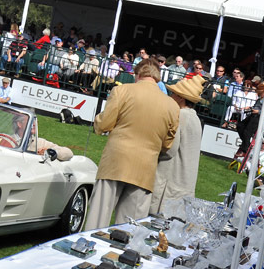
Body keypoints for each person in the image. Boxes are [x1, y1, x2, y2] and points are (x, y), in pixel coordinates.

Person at [85, 58, 179, 230]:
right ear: (157, 77)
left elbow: (105, 124)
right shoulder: (172, 106)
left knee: (97, 221)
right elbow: (167, 144)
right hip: (145, 169)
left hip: (115, 162)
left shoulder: (122, 90)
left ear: (138, 74)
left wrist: (97, 121)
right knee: (129, 229)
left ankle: (86, 251)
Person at [149, 74, 205, 215]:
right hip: (184, 181)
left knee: (157, 226)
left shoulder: (180, 115)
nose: (171, 96)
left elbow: (170, 149)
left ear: (181, 97)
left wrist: (154, 152)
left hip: (171, 181)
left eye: (173, 93)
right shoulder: (195, 118)